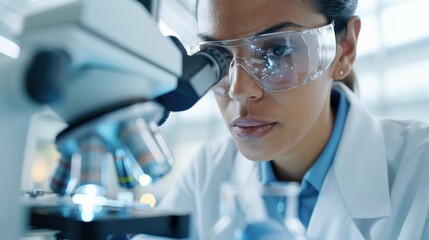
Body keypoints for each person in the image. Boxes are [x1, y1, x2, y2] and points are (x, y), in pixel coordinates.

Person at [157, 0, 429, 239]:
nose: (238, 90)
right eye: (216, 57)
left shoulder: (420, 173)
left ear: (343, 50)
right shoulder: (205, 175)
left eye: (277, 51)